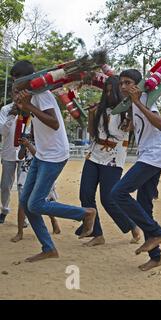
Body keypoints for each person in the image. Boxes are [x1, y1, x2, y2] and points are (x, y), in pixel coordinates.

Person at [12, 60, 97, 262]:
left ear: (27, 80)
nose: (15, 87)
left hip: (54, 155)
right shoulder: (33, 96)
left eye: (17, 82)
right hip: (43, 154)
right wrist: (25, 106)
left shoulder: (42, 95)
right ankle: (48, 248)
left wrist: (29, 106)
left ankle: (84, 213)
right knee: (25, 201)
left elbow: (54, 123)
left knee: (36, 203)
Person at [111, 69, 161, 272]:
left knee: (118, 193)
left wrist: (137, 103)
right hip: (150, 155)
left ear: (138, 85)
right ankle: (156, 257)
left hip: (155, 155)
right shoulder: (133, 104)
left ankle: (157, 232)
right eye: (121, 83)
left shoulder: (146, 99)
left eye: (128, 83)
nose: (124, 86)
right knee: (144, 205)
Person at [75, 76, 142, 247]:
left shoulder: (127, 110)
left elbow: (131, 127)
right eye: (107, 90)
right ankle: (97, 234)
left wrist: (133, 106)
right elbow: (92, 132)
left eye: (113, 89)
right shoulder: (101, 109)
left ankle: (132, 226)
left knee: (108, 198)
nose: (109, 93)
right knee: (85, 194)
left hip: (113, 158)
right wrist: (91, 114)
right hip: (94, 154)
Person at [11, 133, 61, 242]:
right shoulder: (28, 139)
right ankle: (20, 232)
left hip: (42, 171)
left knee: (45, 201)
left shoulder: (46, 139)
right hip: (26, 172)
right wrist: (23, 146)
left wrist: (28, 144)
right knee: (22, 202)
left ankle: (53, 220)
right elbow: (20, 157)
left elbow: (40, 157)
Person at [0, 103, 22, 224]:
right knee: (5, 186)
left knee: (22, 187)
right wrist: (11, 116)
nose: (18, 94)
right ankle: (4, 210)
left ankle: (23, 216)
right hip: (8, 153)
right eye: (15, 91)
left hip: (25, 154)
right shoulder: (5, 109)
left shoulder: (30, 107)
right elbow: (2, 131)